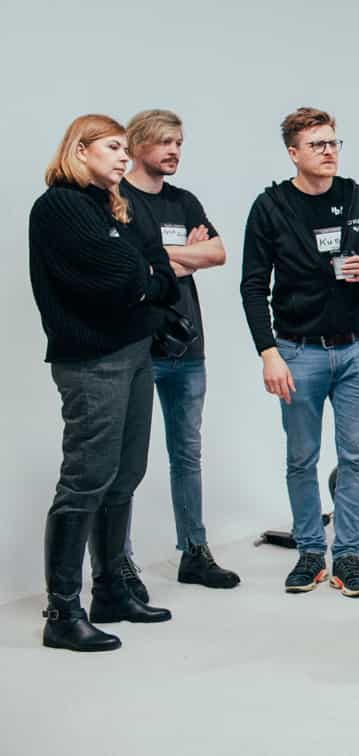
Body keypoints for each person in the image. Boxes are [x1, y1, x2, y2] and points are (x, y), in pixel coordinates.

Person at [29, 114, 177, 652]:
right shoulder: (59, 206)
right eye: (113, 147)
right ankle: (62, 613)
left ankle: (112, 591)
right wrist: (145, 275)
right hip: (92, 361)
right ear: (80, 150)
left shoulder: (112, 205)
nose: (123, 157)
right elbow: (119, 275)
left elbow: (155, 264)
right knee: (86, 480)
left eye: (124, 149)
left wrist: (146, 274)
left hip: (133, 353)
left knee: (125, 474)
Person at [240, 107, 359, 597]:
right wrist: (268, 352)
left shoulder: (357, 197)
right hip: (298, 351)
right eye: (317, 145)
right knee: (301, 458)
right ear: (293, 153)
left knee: (355, 457)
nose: (328, 152)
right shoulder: (270, 207)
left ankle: (347, 555)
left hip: (358, 349)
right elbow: (252, 287)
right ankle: (310, 552)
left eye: (333, 143)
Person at [121, 109, 241, 591]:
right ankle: (119, 562)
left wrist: (162, 259)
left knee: (187, 453)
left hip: (187, 348)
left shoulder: (183, 201)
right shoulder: (117, 199)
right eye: (165, 142)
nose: (174, 151)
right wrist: (185, 258)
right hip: (137, 347)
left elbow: (218, 252)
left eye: (179, 143)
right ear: (137, 145)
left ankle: (194, 551)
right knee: (127, 458)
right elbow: (125, 262)